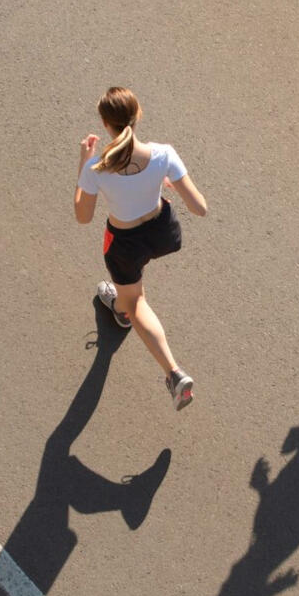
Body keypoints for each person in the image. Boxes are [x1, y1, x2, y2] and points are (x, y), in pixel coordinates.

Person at [74, 86, 208, 410]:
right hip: (163, 234)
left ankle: (173, 373)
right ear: (138, 116)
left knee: (137, 303)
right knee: (130, 288)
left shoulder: (98, 169)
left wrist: (83, 163)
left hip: (125, 244)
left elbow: (83, 216)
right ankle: (119, 307)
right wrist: (166, 179)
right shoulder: (163, 155)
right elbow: (199, 207)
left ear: (106, 125)